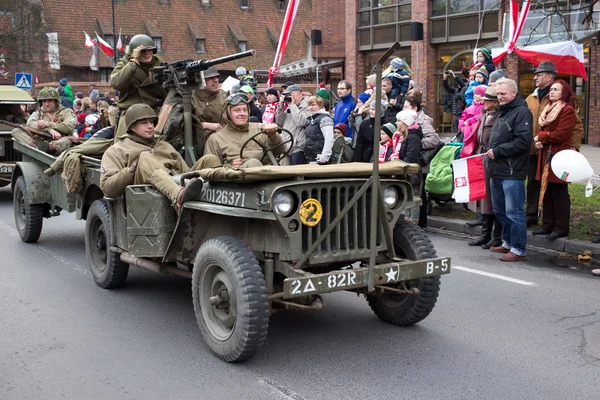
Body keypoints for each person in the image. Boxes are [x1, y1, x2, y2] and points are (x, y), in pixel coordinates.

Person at [100, 104, 221, 211]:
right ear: (132, 127)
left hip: (176, 182)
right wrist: (132, 170)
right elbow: (107, 187)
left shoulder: (163, 145)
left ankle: (221, 201)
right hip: (144, 196)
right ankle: (178, 196)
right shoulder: (117, 150)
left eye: (152, 122)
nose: (150, 126)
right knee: (145, 157)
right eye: (144, 123)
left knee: (210, 159)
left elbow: (186, 172)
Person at [524, 61, 584, 227]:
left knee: (555, 188)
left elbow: (576, 127)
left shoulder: (564, 105)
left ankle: (556, 223)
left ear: (548, 76)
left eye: (539, 74)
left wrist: (573, 148)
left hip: (555, 150)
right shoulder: (531, 98)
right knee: (533, 185)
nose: (535, 77)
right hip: (534, 149)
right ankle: (531, 216)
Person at [485, 78, 533, 262]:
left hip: (512, 171)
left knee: (514, 212)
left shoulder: (522, 112)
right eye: (498, 94)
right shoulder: (503, 112)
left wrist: (497, 151)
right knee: (500, 210)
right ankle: (507, 242)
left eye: (503, 93)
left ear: (514, 93)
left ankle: (519, 249)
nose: (500, 97)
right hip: (497, 169)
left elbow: (523, 142)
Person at [531, 79, 576, 240]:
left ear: (564, 92)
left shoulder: (567, 110)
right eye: (551, 89)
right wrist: (542, 138)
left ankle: (561, 227)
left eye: (556, 89)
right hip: (546, 153)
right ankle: (547, 225)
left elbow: (561, 134)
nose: (551, 92)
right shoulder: (548, 108)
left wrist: (541, 136)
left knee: (559, 191)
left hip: (559, 155)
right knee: (546, 189)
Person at [110, 34, 167, 139]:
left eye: (150, 50)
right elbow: (116, 83)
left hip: (156, 112)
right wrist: (133, 64)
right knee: (124, 143)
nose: (147, 53)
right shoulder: (125, 64)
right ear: (134, 52)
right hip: (132, 112)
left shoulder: (160, 65)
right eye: (142, 51)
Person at [205, 93, 282, 168]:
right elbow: (211, 171)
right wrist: (229, 168)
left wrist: (273, 136)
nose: (242, 113)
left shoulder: (261, 129)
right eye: (237, 110)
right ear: (227, 113)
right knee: (253, 163)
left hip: (268, 175)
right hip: (236, 178)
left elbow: (280, 151)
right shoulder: (216, 139)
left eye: (245, 110)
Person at [468, 86, 501, 248]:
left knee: (491, 199)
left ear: (495, 102)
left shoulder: (498, 117)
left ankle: (494, 235)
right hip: (481, 157)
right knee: (484, 197)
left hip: (491, 158)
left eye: (487, 100)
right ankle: (485, 233)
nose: (483, 103)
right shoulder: (483, 115)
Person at [11, 87, 76, 155]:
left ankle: (50, 148)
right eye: (44, 101)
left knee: (67, 141)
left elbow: (69, 127)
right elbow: (30, 123)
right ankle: (35, 148)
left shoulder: (67, 112)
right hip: (40, 140)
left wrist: (49, 124)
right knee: (16, 131)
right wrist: (48, 129)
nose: (46, 104)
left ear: (56, 101)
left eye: (49, 101)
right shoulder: (38, 113)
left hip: (60, 140)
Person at [396, 109, 422, 222]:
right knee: (407, 198)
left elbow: (410, 157)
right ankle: (407, 220)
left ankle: (413, 223)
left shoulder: (413, 138)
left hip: (412, 173)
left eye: (398, 121)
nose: (396, 123)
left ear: (405, 122)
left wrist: (401, 168)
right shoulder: (405, 136)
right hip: (406, 173)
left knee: (413, 199)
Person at [275, 84, 310, 165]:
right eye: (287, 95)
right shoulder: (289, 106)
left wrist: (293, 105)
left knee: (296, 175)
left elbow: (300, 122)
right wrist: (280, 106)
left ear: (300, 94)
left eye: (291, 94)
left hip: (298, 148)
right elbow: (279, 122)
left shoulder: (307, 106)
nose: (289, 97)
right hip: (286, 147)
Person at [305, 95, 334, 164]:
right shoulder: (311, 119)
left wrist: (325, 156)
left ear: (320, 105)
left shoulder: (325, 118)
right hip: (311, 157)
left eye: (313, 105)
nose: (311, 107)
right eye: (309, 105)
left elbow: (329, 138)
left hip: (320, 158)